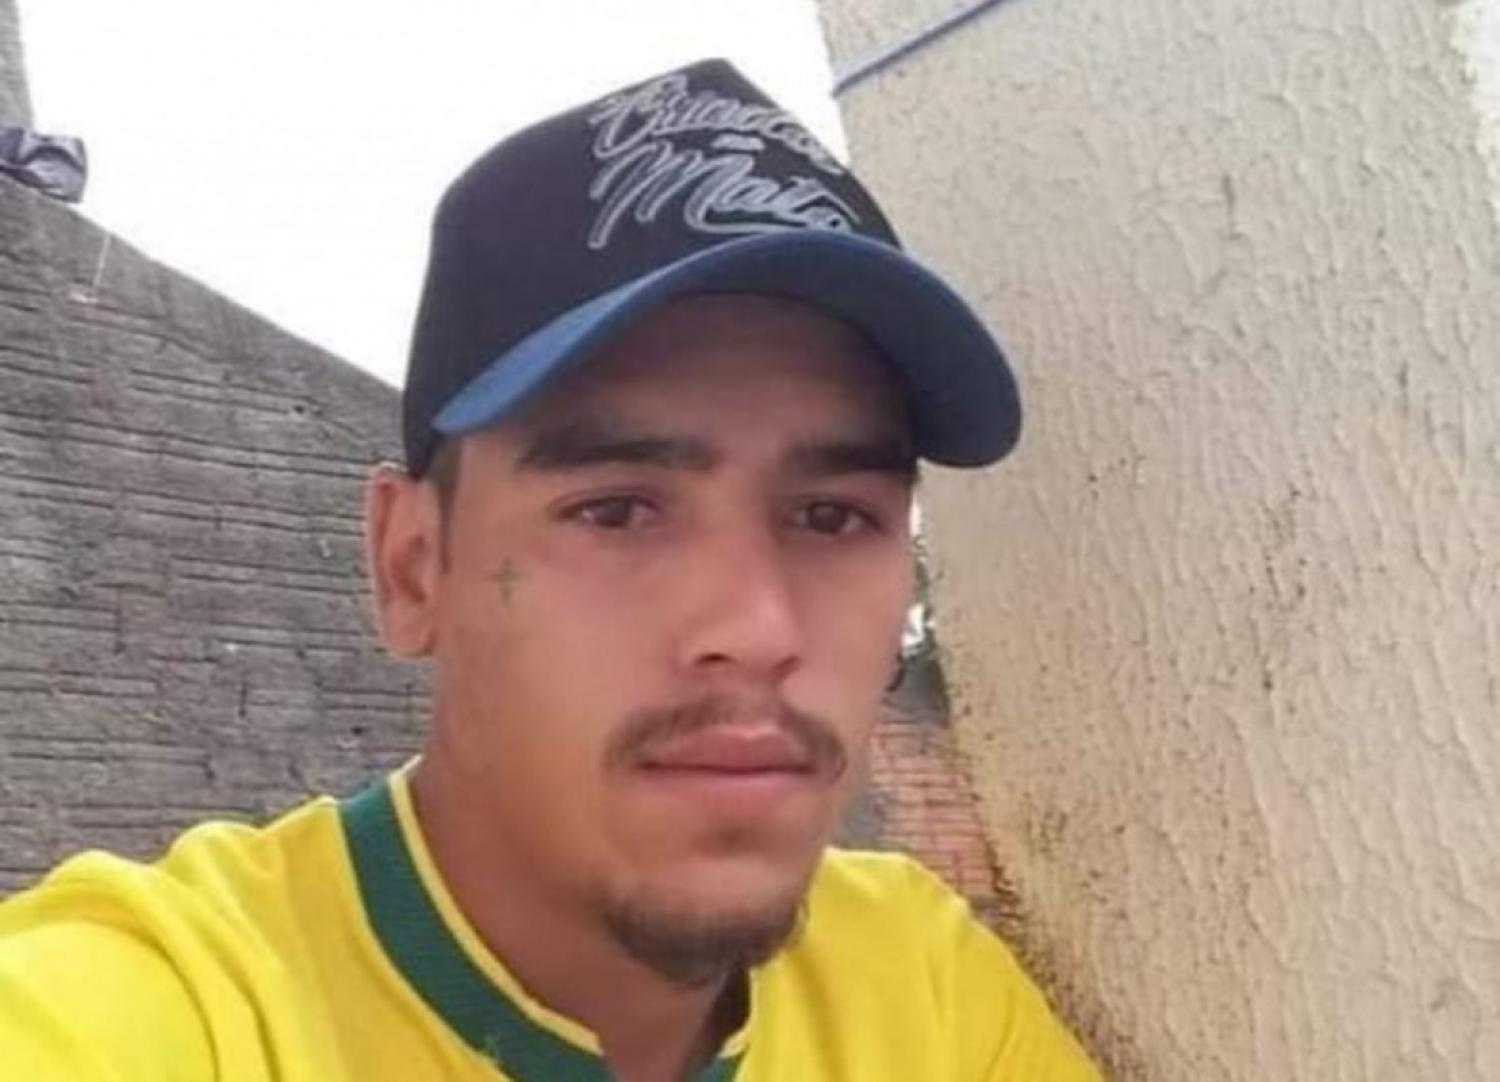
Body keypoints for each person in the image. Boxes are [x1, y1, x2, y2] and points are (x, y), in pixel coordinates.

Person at [0, 59, 1100, 1081]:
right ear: (413, 566)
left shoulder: (924, 992)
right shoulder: (150, 1015)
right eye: (616, 510)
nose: (757, 625)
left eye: (831, 515)